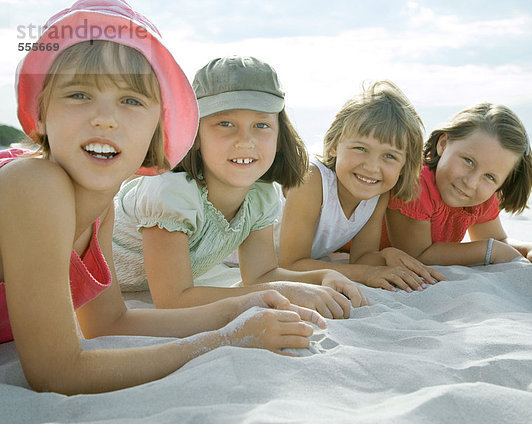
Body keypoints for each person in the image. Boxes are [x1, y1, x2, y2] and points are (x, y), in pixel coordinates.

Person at [0, 0, 326, 395]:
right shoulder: (33, 184)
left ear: (158, 128)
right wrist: (225, 340)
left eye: (131, 100)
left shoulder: (99, 207)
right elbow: (57, 372)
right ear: (42, 112)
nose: (105, 118)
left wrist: (239, 308)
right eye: (79, 94)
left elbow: (108, 323)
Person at [113, 56, 368, 319]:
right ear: (194, 133)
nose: (245, 141)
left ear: (280, 136)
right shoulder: (170, 193)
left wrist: (323, 275)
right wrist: (285, 292)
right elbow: (174, 300)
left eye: (261, 125)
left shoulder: (260, 195)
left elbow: (262, 274)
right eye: (225, 124)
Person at [278, 81, 446, 293]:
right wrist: (367, 274)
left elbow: (361, 257)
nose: (371, 167)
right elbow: (291, 265)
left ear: (404, 166)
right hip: (235, 261)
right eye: (360, 148)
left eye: (389, 156)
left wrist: (386, 255)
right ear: (333, 146)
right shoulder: (312, 180)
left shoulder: (377, 195)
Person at [382, 102, 532, 267]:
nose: (471, 182)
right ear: (443, 144)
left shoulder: (479, 196)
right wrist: (489, 251)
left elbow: (498, 240)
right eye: (468, 161)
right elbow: (417, 255)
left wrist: (529, 249)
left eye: (490, 177)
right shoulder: (417, 183)